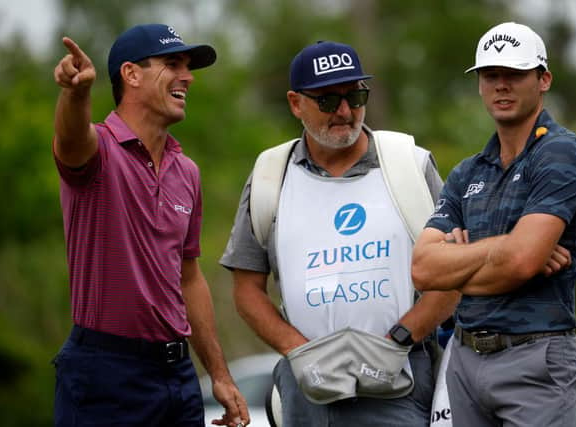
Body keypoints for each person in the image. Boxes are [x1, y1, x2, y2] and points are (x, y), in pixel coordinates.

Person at [220, 40, 459, 426]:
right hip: (305, 387)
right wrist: (300, 352)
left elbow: (453, 277)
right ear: (296, 103)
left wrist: (398, 340)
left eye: (355, 95)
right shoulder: (270, 175)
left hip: (400, 379)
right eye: (328, 101)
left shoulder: (410, 164)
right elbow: (247, 290)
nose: (345, 112)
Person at [52, 24, 249, 427]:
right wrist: (76, 93)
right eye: (172, 64)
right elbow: (70, 139)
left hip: (177, 376)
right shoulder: (99, 148)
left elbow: (189, 277)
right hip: (106, 372)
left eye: (188, 67)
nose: (188, 77)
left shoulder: (187, 171)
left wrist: (219, 374)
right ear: (131, 74)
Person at [411, 22, 576, 426]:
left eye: (514, 74)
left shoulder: (561, 153)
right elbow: (423, 270)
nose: (501, 86)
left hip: (535, 358)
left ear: (543, 79)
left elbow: (520, 264)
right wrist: (506, 248)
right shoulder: (467, 172)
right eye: (491, 75)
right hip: (463, 359)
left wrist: (460, 261)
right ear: (480, 84)